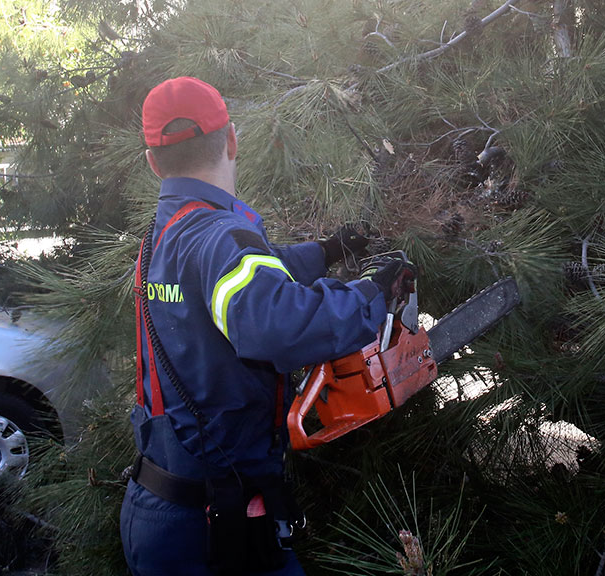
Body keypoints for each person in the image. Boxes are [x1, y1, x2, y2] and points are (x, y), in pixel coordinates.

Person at [120, 76, 417, 576]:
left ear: (153, 162)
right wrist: (371, 295)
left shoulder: (165, 237)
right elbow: (276, 324)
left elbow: (247, 279)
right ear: (232, 139)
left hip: (161, 507)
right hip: (214, 525)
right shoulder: (219, 235)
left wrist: (325, 253)